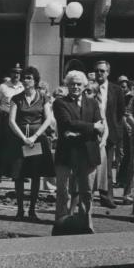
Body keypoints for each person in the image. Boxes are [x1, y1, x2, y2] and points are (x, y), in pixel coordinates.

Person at [52, 70, 103, 228]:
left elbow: (100, 126)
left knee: (87, 192)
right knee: (64, 192)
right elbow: (66, 123)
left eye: (79, 84)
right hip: (67, 153)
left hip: (88, 153)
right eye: (72, 84)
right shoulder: (60, 103)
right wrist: (91, 127)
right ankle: (61, 224)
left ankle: (86, 224)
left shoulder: (93, 103)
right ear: (67, 85)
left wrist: (80, 130)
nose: (75, 87)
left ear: (84, 85)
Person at [4, 65, 54, 221]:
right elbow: (11, 121)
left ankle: (32, 210)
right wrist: (23, 138)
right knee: (19, 175)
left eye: (29, 78)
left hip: (36, 140)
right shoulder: (16, 98)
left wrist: (35, 136)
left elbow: (48, 120)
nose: (25, 80)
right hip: (20, 139)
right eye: (24, 77)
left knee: (35, 174)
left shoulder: (43, 97)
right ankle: (19, 210)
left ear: (35, 80)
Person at [91, 59, 124, 209]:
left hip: (109, 133)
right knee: (90, 166)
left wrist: (113, 130)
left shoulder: (116, 90)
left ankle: (106, 197)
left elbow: (120, 112)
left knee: (108, 167)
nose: (99, 73)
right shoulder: (89, 88)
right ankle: (87, 195)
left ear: (108, 72)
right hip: (90, 130)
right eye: (97, 70)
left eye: (102, 71)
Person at [0, 64, 24, 181]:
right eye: (14, 73)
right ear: (10, 74)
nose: (16, 75)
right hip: (5, 118)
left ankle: (16, 174)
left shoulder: (22, 87)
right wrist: (1, 113)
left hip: (18, 119)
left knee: (17, 146)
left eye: (18, 73)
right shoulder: (3, 87)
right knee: (2, 146)